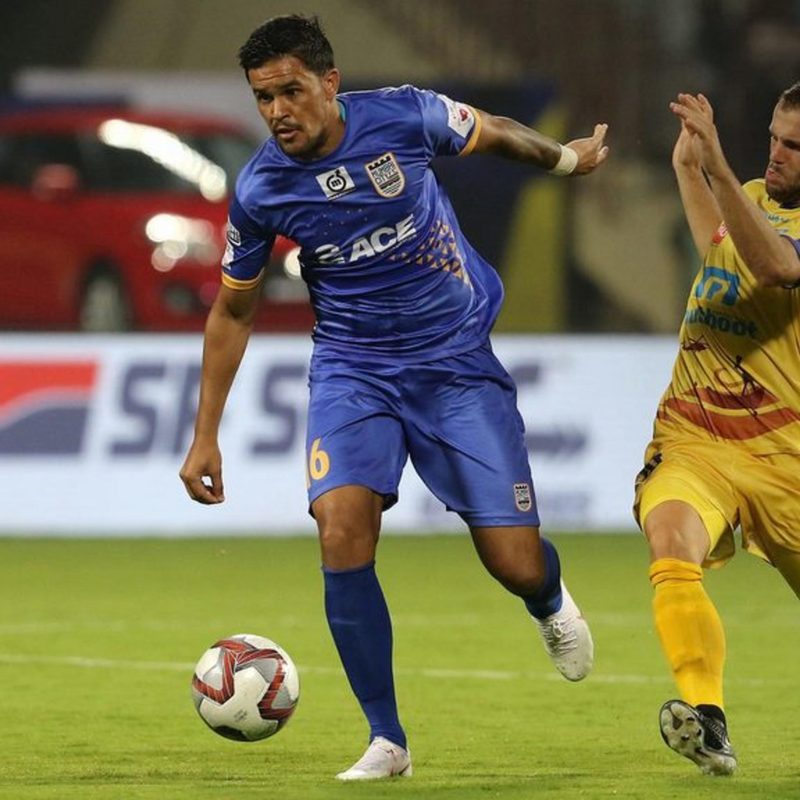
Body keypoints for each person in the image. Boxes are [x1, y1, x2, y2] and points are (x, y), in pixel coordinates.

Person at [180, 14, 609, 781]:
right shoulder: (262, 188)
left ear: (330, 82)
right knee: (341, 529)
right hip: (353, 370)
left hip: (454, 364)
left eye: (291, 91)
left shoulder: (404, 116)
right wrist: (204, 433)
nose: (278, 111)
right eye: (263, 98)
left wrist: (566, 160)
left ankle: (547, 599)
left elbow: (493, 132)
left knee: (513, 562)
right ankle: (388, 740)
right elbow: (233, 311)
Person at [634, 83, 800, 776]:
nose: (777, 153)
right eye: (774, 138)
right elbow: (722, 250)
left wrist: (719, 167)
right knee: (671, 539)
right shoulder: (754, 196)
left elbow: (777, 266)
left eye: (795, 146)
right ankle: (709, 721)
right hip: (696, 434)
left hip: (784, 450)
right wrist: (689, 169)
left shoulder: (760, 205)